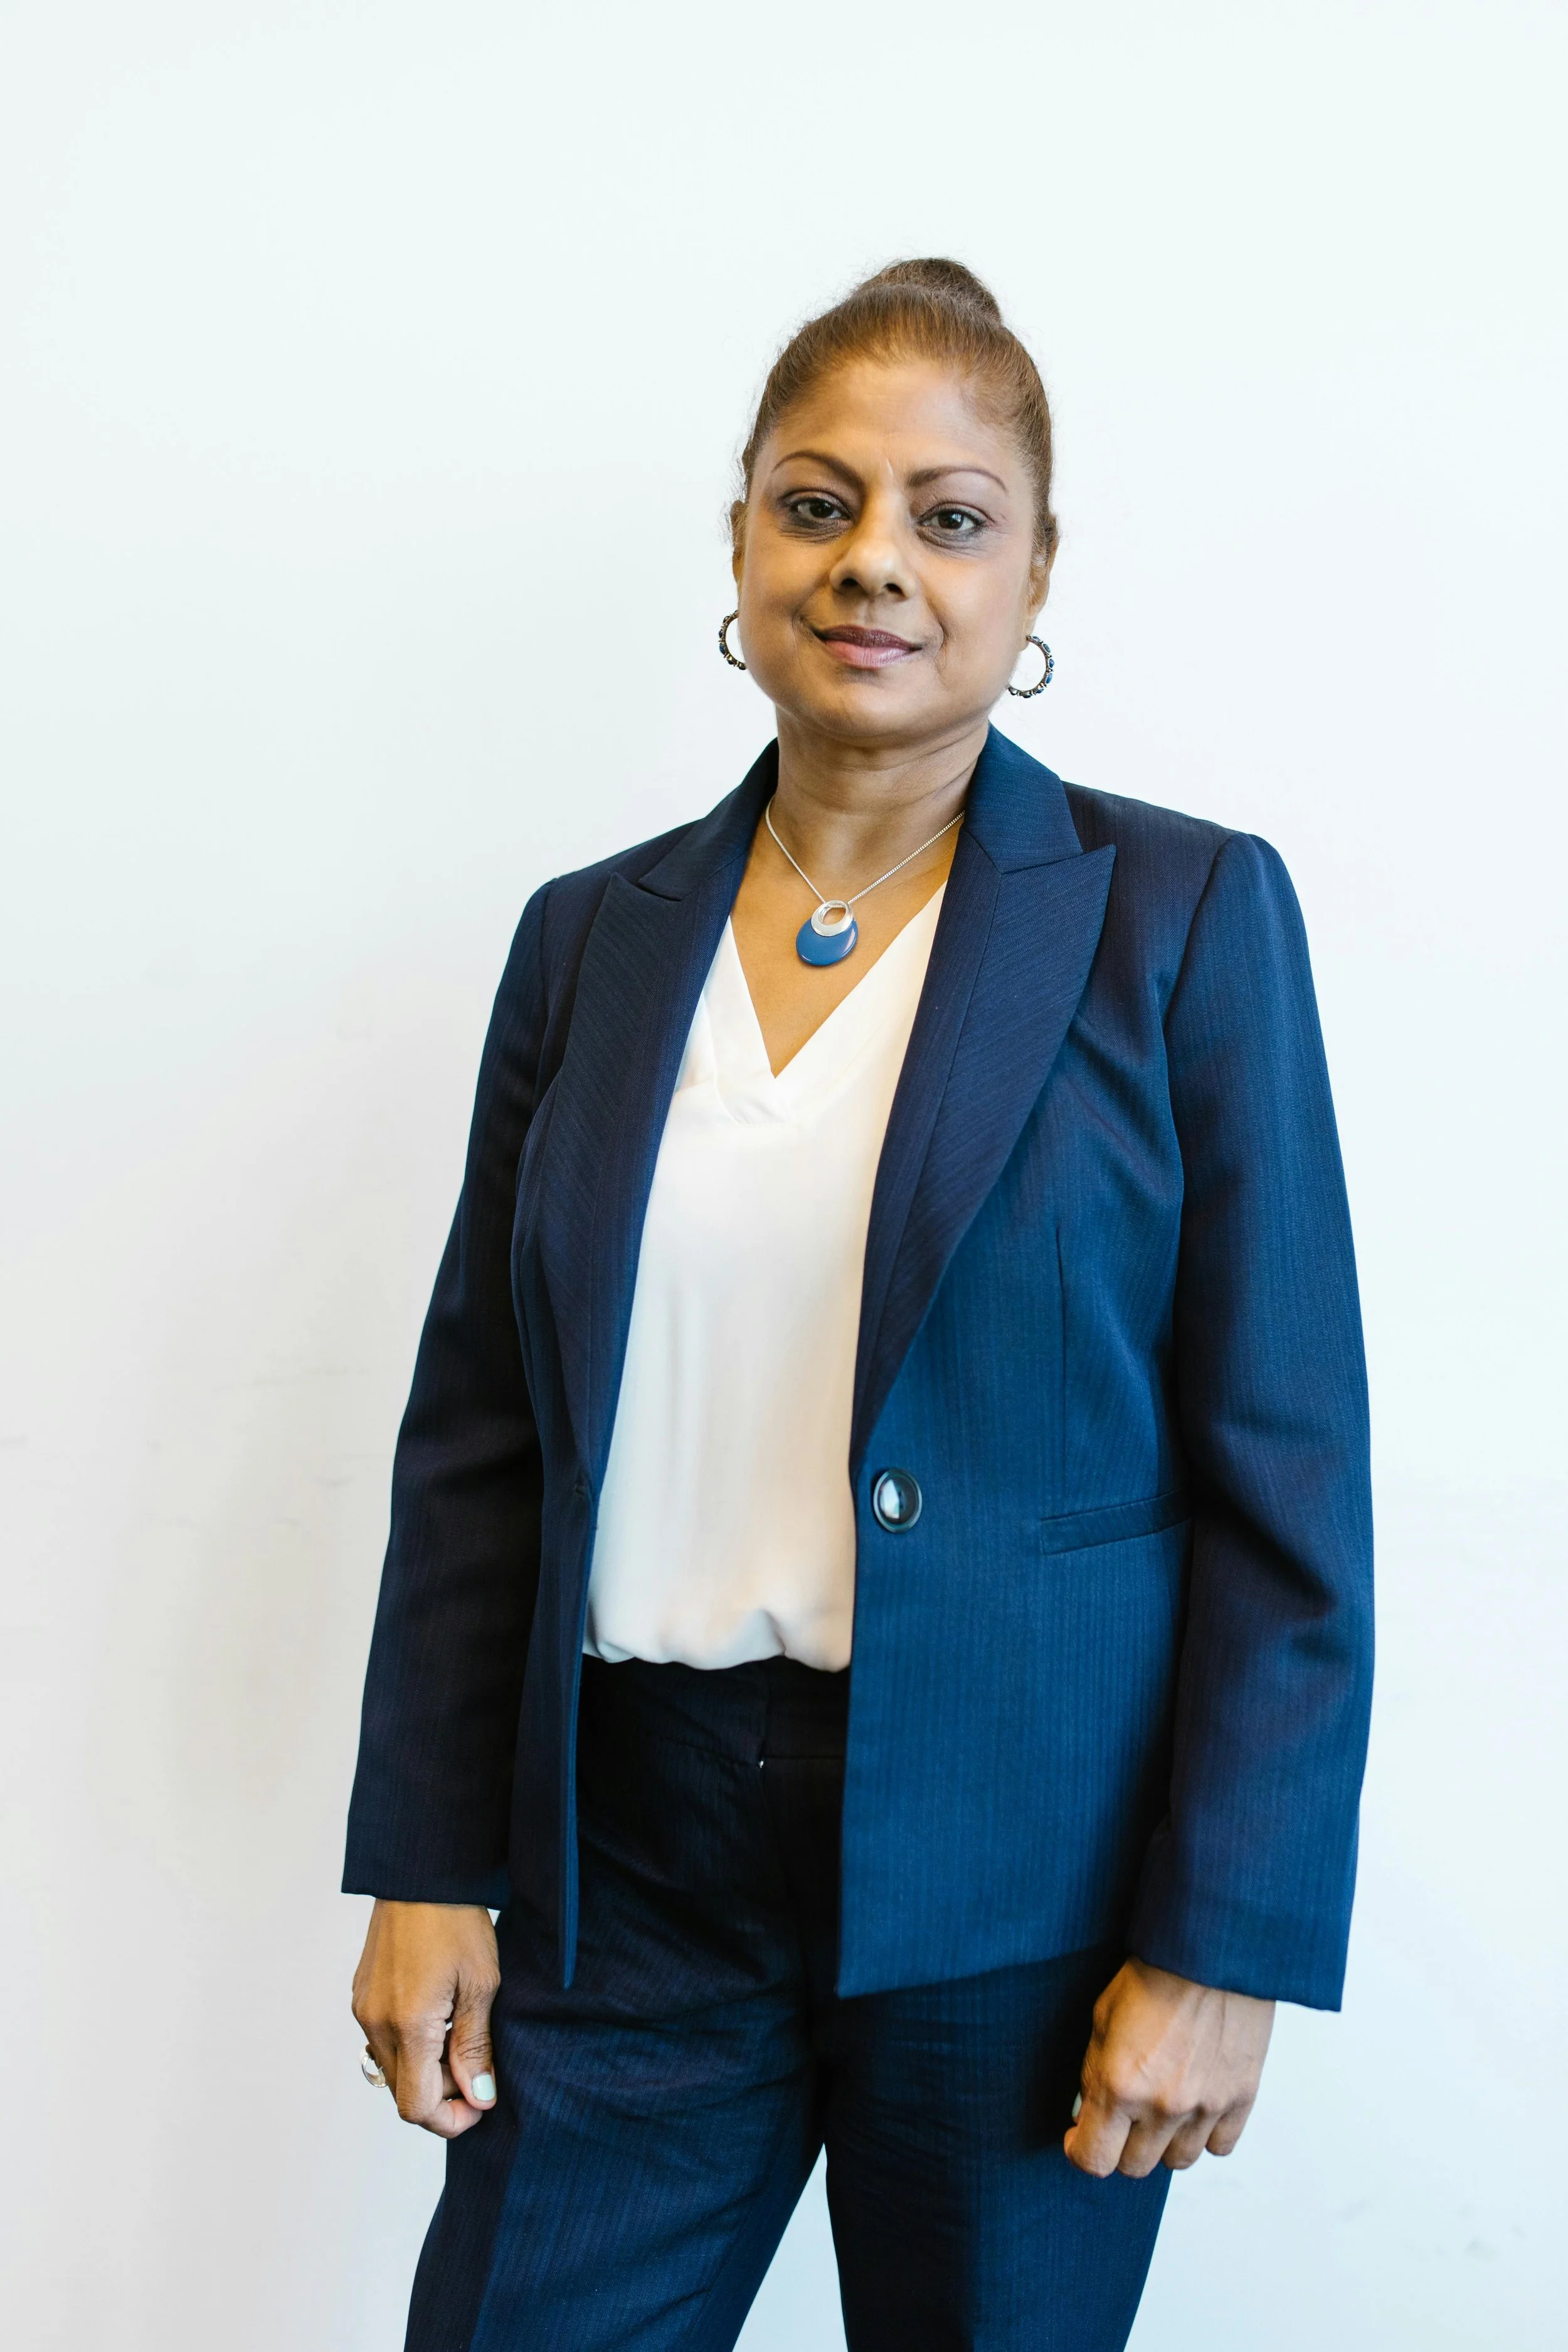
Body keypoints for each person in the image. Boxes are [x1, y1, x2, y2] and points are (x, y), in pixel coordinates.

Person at [344, 258, 1374, 2352]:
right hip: (621, 1864)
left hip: (1023, 1886)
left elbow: (1286, 1470)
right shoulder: (592, 943)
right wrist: (429, 1854)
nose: (875, 562)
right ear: (740, 538)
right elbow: (479, 1436)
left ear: (1032, 569)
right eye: (816, 504)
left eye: (947, 514)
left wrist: (1223, 1942)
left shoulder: (1177, 919)